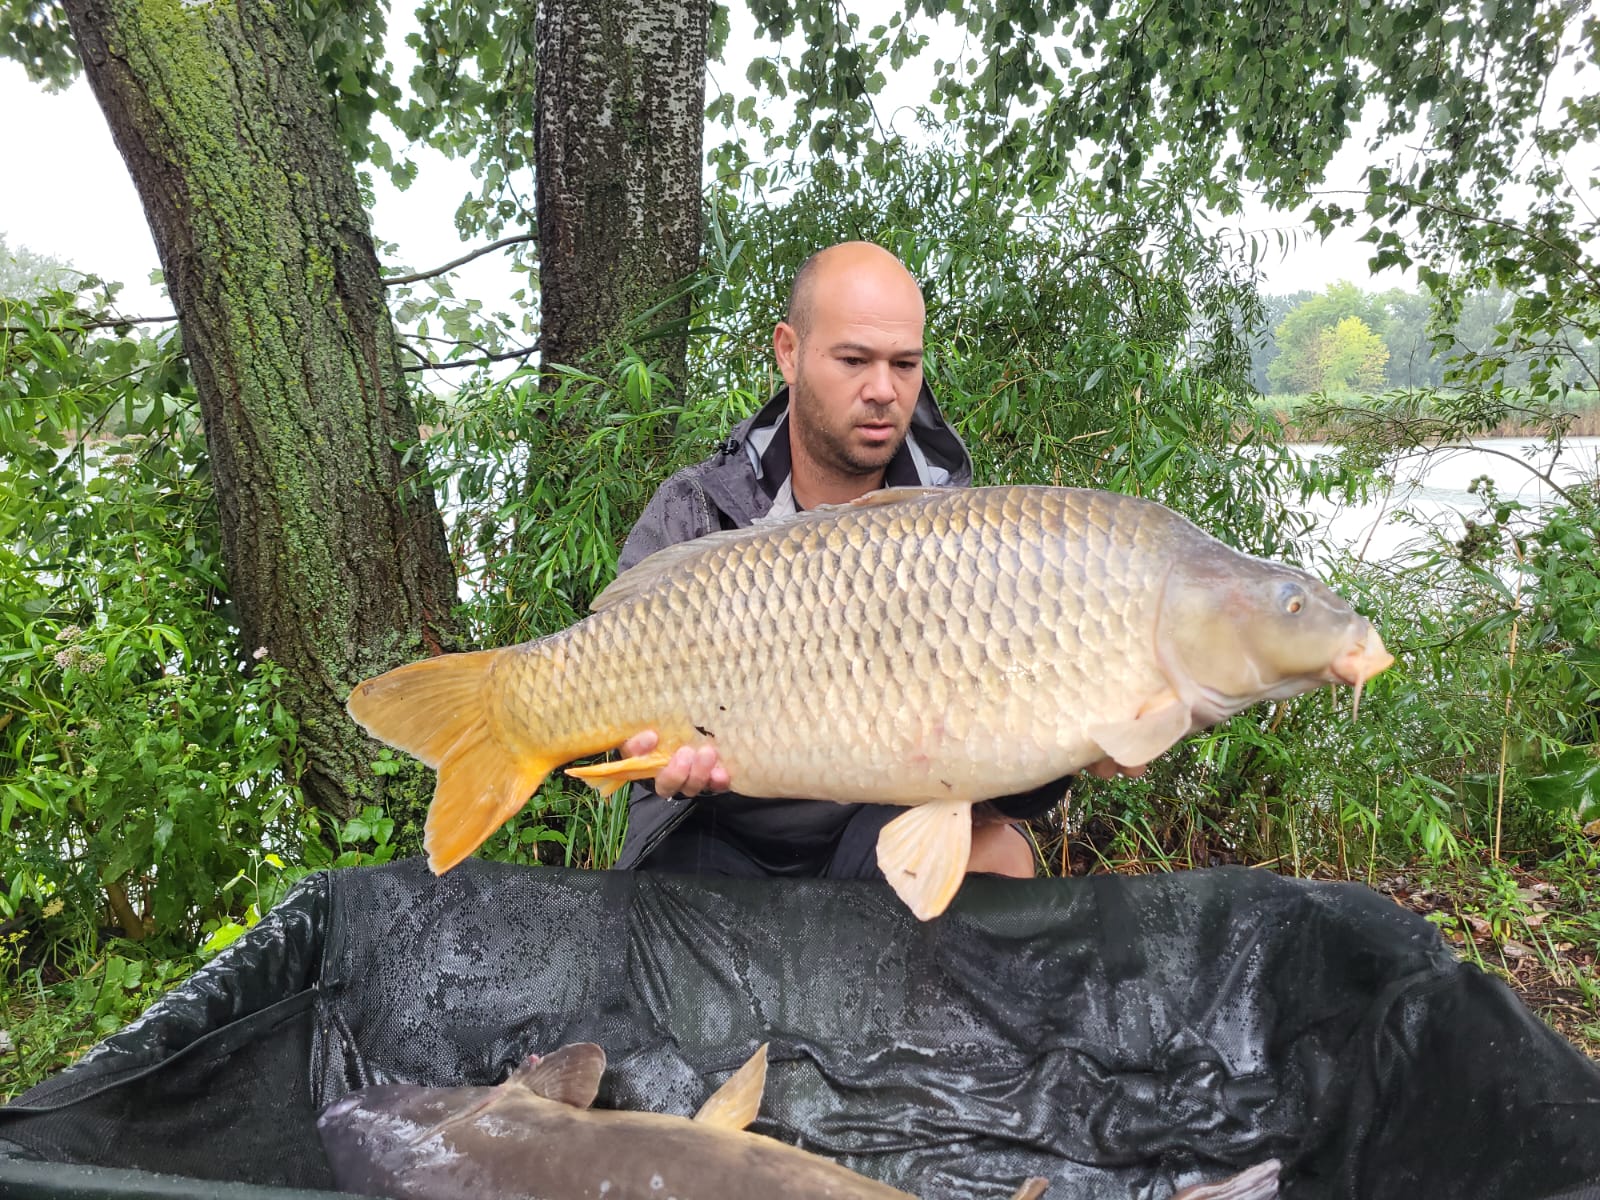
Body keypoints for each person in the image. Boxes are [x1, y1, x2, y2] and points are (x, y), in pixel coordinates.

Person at [610, 241, 1123, 881]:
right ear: (789, 353)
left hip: (881, 822)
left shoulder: (964, 538)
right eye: (854, 360)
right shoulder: (695, 510)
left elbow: (1000, 772)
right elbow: (615, 721)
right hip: (716, 825)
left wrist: (1071, 745)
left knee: (1001, 857)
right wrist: (640, 749)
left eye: (905, 364)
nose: (883, 390)